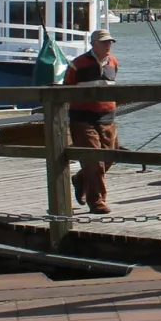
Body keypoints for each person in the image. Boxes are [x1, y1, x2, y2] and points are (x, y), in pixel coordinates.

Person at [64, 29, 119, 214]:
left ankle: (80, 179)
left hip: (107, 117)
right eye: (104, 42)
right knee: (94, 159)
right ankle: (97, 200)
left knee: (110, 157)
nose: (108, 45)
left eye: (110, 42)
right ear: (94, 43)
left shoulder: (113, 62)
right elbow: (67, 87)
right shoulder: (78, 64)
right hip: (82, 117)